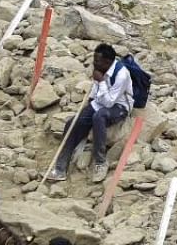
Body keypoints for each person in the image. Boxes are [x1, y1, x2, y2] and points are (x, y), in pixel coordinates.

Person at [46, 43, 132, 183]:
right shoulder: (100, 68)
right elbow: (95, 94)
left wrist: (101, 81)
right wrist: (87, 107)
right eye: (94, 59)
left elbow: (110, 102)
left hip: (119, 106)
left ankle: (100, 162)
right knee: (72, 123)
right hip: (100, 102)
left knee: (99, 116)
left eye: (97, 61)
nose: (94, 63)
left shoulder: (121, 74)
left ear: (107, 62)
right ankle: (60, 168)